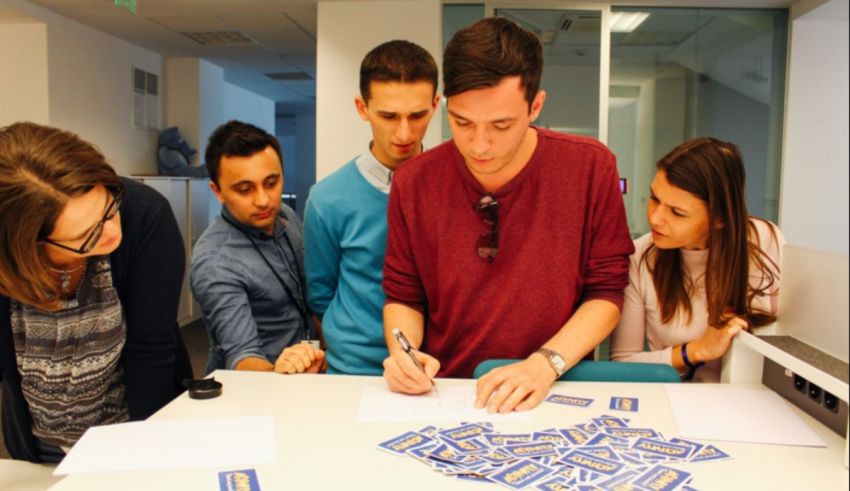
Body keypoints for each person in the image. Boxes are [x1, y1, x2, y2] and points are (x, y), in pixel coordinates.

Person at [381, 17, 634, 413]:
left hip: (554, 390)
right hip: (447, 394)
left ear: (536, 106)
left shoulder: (589, 167)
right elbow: (403, 296)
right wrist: (404, 354)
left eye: (501, 125)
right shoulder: (414, 181)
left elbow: (606, 293)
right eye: (462, 122)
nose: (479, 144)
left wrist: (544, 364)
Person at [0, 122, 192, 462]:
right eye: (85, 237)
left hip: (130, 435)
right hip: (38, 443)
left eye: (109, 207)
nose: (111, 234)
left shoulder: (145, 216)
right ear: (28, 249)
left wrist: (152, 456)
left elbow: (151, 351)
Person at [304, 40, 439, 375]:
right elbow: (321, 295)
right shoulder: (327, 199)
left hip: (438, 365)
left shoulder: (454, 187)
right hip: (355, 369)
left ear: (436, 105)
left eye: (417, 115)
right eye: (388, 116)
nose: (404, 132)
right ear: (362, 108)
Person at [609, 137, 783, 382]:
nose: (655, 218)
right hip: (677, 400)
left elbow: (780, 342)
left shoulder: (765, 239)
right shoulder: (639, 256)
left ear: (719, 219)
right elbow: (623, 363)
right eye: (654, 198)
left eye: (677, 213)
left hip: (752, 397)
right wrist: (698, 349)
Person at [190, 120, 323, 375]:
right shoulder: (215, 261)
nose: (263, 200)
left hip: (304, 373)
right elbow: (242, 357)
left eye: (272, 183)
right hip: (258, 386)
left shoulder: (283, 214)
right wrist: (280, 374)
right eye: (244, 189)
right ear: (217, 191)